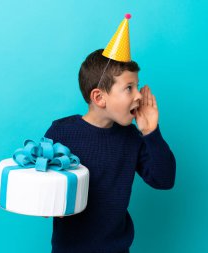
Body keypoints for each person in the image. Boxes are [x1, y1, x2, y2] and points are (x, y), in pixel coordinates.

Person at [44, 48, 176, 253]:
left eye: (137, 86)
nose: (139, 95)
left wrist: (151, 132)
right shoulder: (61, 132)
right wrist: (47, 202)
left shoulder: (132, 137)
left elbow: (164, 180)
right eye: (129, 88)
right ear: (99, 97)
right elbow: (43, 183)